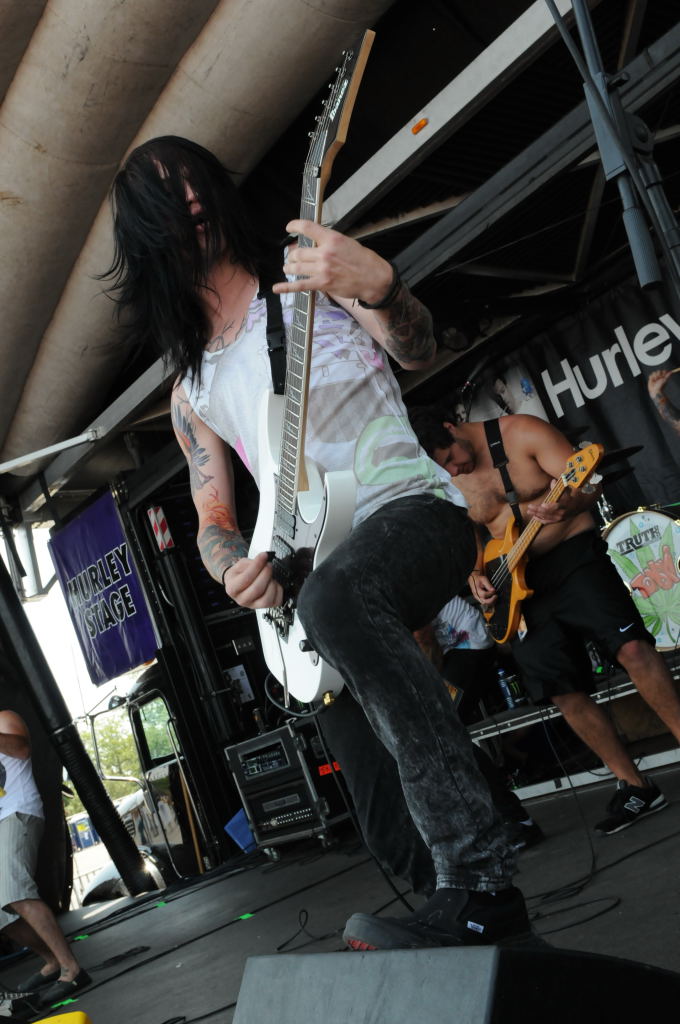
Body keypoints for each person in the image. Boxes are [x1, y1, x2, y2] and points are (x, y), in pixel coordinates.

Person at [105, 136, 534, 952]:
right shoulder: (190, 387)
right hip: (312, 581)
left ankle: (483, 878)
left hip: (413, 513)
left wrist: (382, 286)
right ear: (145, 232)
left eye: (195, 179)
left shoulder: (311, 281)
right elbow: (212, 518)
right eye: (166, 193)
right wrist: (235, 571)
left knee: (340, 597)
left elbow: (417, 347)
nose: (188, 198)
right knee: (383, 816)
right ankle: (479, 943)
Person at [409, 406, 680, 834]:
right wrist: (475, 573)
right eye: (444, 468)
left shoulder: (522, 433)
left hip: (571, 556)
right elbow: (471, 530)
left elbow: (590, 484)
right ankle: (635, 785)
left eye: (450, 458)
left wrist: (568, 504)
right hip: (514, 587)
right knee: (561, 689)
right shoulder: (446, 477)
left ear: (450, 428)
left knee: (632, 649)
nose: (454, 469)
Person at [0, 710, 90, 1002]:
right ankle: (51, 961)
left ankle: (71, 968)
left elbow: (22, 750)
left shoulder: (5, 717)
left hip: (18, 813)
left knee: (18, 895)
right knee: (2, 915)